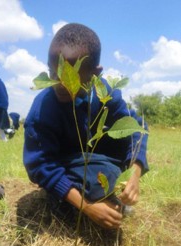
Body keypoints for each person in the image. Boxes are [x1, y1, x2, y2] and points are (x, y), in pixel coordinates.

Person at [23, 23, 149, 229]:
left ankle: (101, 188)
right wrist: (87, 206)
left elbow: (137, 129)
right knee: (100, 177)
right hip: (66, 165)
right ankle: (70, 199)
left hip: (94, 159)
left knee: (108, 170)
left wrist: (135, 173)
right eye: (53, 73)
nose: (60, 84)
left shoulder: (105, 93)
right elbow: (40, 166)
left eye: (70, 76)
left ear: (94, 73)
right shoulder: (42, 111)